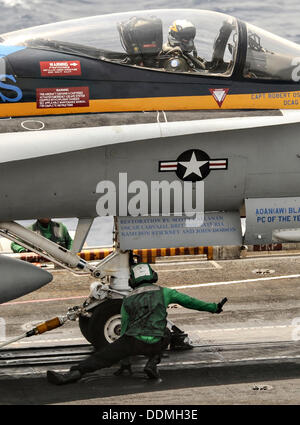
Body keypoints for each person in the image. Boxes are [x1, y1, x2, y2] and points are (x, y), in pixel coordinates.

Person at [47, 262, 227, 385]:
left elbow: (124, 329)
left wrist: (124, 360)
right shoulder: (165, 293)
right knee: (166, 333)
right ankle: (152, 363)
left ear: (132, 281)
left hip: (132, 342)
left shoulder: (128, 299)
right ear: (153, 276)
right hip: (156, 342)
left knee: (101, 358)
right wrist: (214, 307)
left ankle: (72, 375)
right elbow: (191, 302)